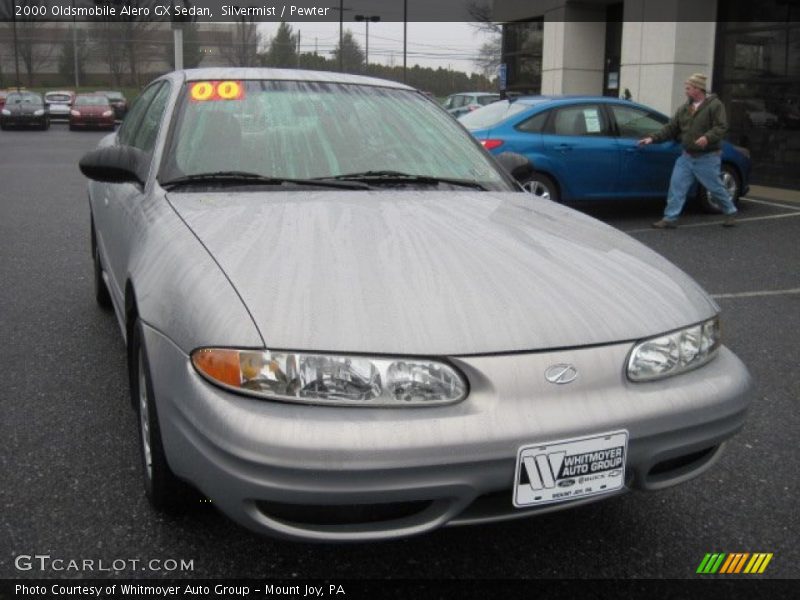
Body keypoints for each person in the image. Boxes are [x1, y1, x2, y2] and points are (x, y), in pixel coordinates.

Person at [638, 73, 738, 228]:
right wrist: (652, 138)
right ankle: (670, 219)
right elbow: (671, 128)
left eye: (688, 88)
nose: (686, 91)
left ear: (698, 89)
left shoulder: (715, 105)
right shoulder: (684, 108)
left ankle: (730, 211)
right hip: (686, 157)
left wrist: (707, 137)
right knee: (676, 187)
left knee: (715, 188)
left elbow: (721, 127)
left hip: (707, 157)